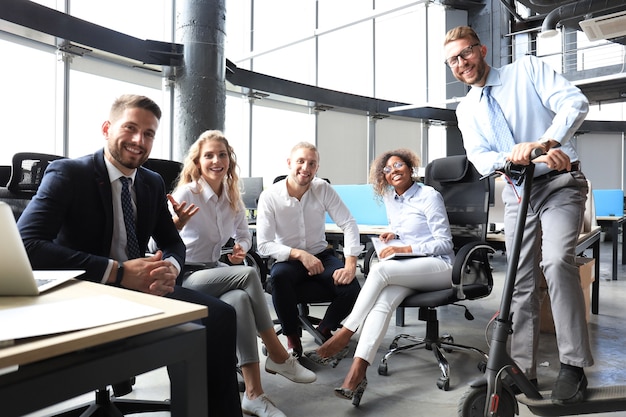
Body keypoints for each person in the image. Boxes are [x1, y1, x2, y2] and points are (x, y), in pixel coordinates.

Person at [17, 94, 243, 416]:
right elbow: (28, 245)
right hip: (87, 291)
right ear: (107, 128)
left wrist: (170, 267)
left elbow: (172, 241)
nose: (139, 141)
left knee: (220, 316)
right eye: (131, 128)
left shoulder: (151, 182)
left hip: (142, 290)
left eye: (149, 133)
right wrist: (118, 272)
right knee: (194, 327)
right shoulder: (68, 174)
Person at [443, 26, 594, 404]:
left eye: (466, 53)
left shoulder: (525, 71)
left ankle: (573, 367)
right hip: (516, 191)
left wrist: (546, 144)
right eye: (454, 60)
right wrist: (518, 156)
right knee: (520, 280)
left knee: (557, 262)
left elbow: (574, 103)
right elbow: (480, 158)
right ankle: (522, 370)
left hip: (559, 183)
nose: (462, 64)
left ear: (482, 49)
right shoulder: (466, 109)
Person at [168, 130, 316, 417]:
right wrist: (176, 223)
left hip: (215, 271)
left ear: (229, 160)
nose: (216, 160)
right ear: (197, 161)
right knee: (247, 275)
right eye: (208, 155)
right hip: (185, 275)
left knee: (238, 299)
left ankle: (253, 394)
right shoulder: (187, 192)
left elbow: (246, 237)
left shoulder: (231, 196)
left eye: (221, 155)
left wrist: (239, 247)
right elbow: (154, 242)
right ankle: (277, 353)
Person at [304, 149, 455, 406]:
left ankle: (344, 333)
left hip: (439, 267)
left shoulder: (429, 196)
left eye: (398, 165)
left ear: (410, 168)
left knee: (380, 270)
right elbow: (406, 229)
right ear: (382, 176)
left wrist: (404, 249)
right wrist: (393, 235)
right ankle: (356, 374)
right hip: (411, 267)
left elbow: (444, 243)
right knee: (383, 303)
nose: (393, 170)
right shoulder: (390, 197)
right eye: (387, 169)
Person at [255, 141, 361, 357]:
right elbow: (264, 245)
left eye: (311, 163)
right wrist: (300, 255)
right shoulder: (270, 196)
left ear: (317, 168)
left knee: (351, 287)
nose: (306, 168)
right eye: (300, 161)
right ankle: (292, 337)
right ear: (289, 164)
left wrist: (350, 264)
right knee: (279, 278)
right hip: (288, 258)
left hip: (321, 254)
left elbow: (348, 223)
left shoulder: (322, 188)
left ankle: (324, 329)